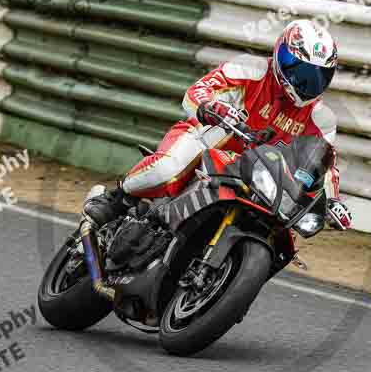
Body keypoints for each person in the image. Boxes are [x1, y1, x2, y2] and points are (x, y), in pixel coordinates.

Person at [83, 19, 353, 231]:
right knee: (168, 168)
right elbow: (196, 91)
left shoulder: (322, 119)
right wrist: (212, 107)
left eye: (319, 77)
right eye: (302, 74)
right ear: (283, 58)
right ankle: (118, 198)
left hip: (252, 177)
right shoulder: (251, 69)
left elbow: (325, 165)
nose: (309, 85)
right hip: (205, 142)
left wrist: (332, 200)